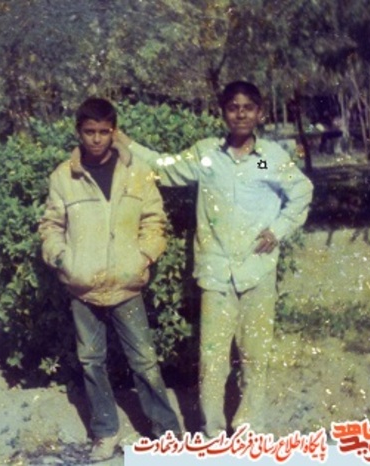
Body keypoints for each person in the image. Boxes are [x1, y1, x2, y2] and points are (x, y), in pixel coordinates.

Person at [116, 81, 314, 438]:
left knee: (255, 356)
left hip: (257, 270)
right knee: (212, 358)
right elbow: (165, 168)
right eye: (233, 107)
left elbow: (300, 190)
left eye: (248, 107)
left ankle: (250, 430)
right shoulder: (207, 155)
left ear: (260, 113)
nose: (241, 114)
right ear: (223, 112)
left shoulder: (266, 157)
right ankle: (212, 432)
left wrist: (278, 229)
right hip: (216, 274)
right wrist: (124, 142)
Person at [38, 97, 182, 461]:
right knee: (91, 362)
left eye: (104, 131)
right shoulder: (63, 177)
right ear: (79, 132)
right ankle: (105, 432)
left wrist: (143, 257)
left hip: (126, 284)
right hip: (83, 286)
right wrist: (63, 260)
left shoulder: (137, 172)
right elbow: (51, 225)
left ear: (114, 132)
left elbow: (154, 220)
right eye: (90, 131)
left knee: (144, 360)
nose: (97, 139)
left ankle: (166, 433)